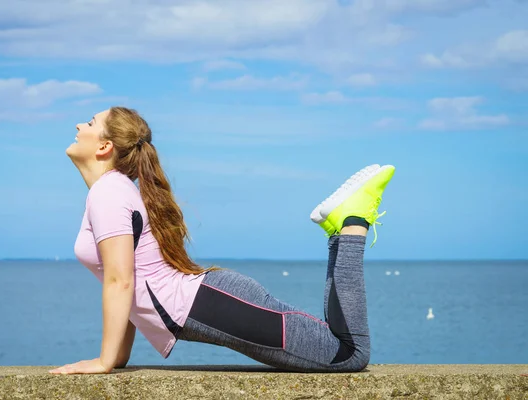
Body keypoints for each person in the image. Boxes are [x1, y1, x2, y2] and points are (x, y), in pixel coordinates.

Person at [48, 107, 395, 375]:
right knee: (340, 347)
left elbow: (121, 281)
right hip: (208, 300)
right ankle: (340, 226)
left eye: (90, 123)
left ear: (105, 146)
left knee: (350, 354)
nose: (80, 126)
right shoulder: (111, 191)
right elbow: (126, 279)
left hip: (209, 303)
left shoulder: (108, 192)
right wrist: (117, 357)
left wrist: (105, 361)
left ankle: (353, 222)